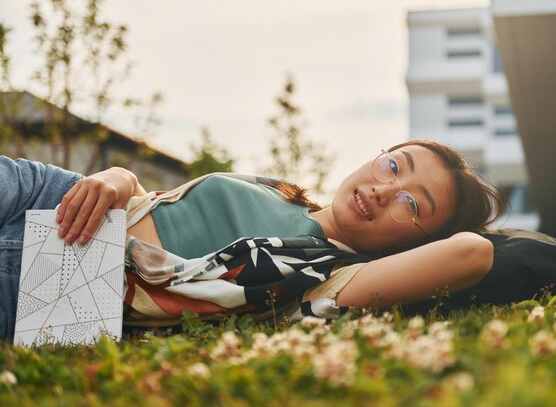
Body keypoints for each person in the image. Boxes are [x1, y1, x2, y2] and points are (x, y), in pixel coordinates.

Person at [0, 140, 502, 338]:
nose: (385, 188)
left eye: (413, 204)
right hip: (59, 193)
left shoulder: (331, 275)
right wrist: (118, 177)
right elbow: (159, 199)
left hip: (76, 275)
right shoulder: (281, 192)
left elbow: (473, 254)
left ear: (416, 244)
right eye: (394, 165)